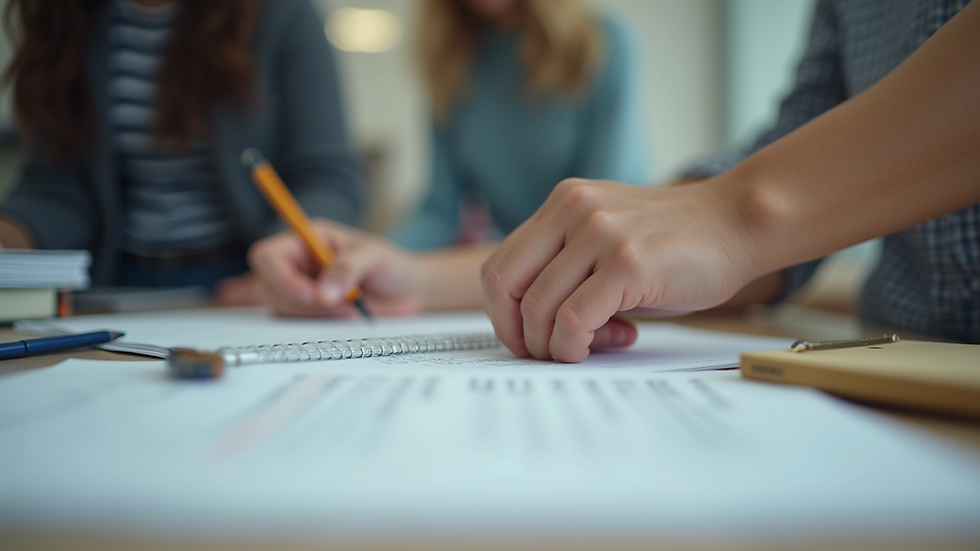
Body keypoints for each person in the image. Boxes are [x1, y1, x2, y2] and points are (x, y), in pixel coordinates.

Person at [480, 0, 980, 362]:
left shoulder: (604, 42)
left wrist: (731, 216)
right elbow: (789, 166)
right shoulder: (456, 65)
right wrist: (419, 280)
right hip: (887, 357)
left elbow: (763, 216)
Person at [249, 0, 650, 317]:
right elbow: (440, 210)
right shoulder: (452, 61)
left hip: (617, 275)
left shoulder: (603, 43)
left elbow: (600, 212)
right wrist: (361, 260)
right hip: (527, 276)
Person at [0, 0, 365, 301]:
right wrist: (11, 235)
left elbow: (326, 177)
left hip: (241, 286)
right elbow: (58, 185)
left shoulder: (284, 14)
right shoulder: (66, 19)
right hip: (112, 285)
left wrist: (287, 258)